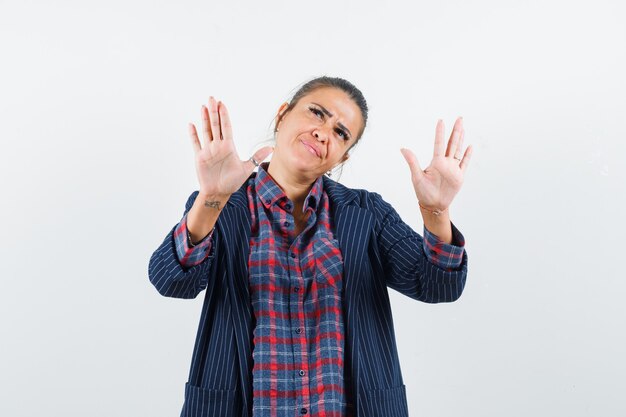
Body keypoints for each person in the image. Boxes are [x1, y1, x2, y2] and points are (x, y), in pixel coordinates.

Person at [148, 76, 472, 417]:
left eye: (340, 133)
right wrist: (212, 197)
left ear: (341, 158)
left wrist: (436, 212)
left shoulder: (367, 214)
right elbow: (171, 280)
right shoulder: (224, 207)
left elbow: (438, 284)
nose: (323, 132)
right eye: (317, 113)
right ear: (282, 115)